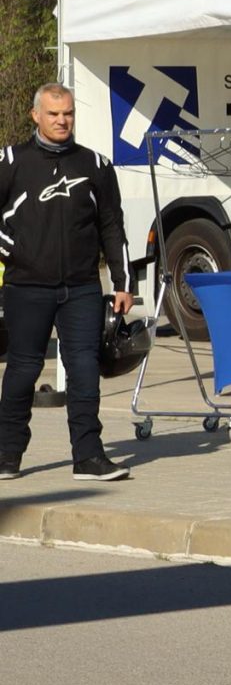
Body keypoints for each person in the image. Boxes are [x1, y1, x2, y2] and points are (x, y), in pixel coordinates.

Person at [0, 84, 134, 482]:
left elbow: (112, 226)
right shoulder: (11, 162)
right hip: (26, 286)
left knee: (84, 370)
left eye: (68, 113)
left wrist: (123, 282)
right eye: (54, 114)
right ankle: (7, 456)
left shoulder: (95, 165)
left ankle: (89, 457)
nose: (62, 121)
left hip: (82, 288)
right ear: (35, 115)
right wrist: (9, 249)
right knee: (23, 370)